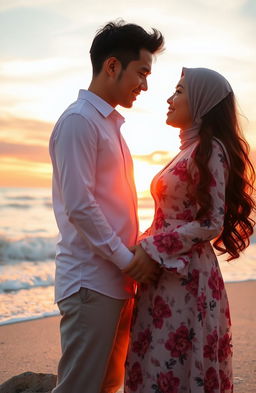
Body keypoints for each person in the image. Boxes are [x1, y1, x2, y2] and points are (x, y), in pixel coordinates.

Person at [124, 67, 255, 393]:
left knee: (176, 363)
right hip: (168, 274)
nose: (169, 99)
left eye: (179, 91)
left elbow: (212, 221)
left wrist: (152, 248)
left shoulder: (212, 150)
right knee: (157, 359)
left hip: (187, 279)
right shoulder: (189, 149)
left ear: (202, 101)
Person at [49, 21, 164, 393]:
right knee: (79, 387)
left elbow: (112, 205)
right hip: (90, 282)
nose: (145, 85)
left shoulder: (108, 125)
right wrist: (127, 259)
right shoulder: (79, 122)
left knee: (109, 384)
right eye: (141, 72)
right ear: (112, 66)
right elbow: (79, 206)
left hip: (114, 279)